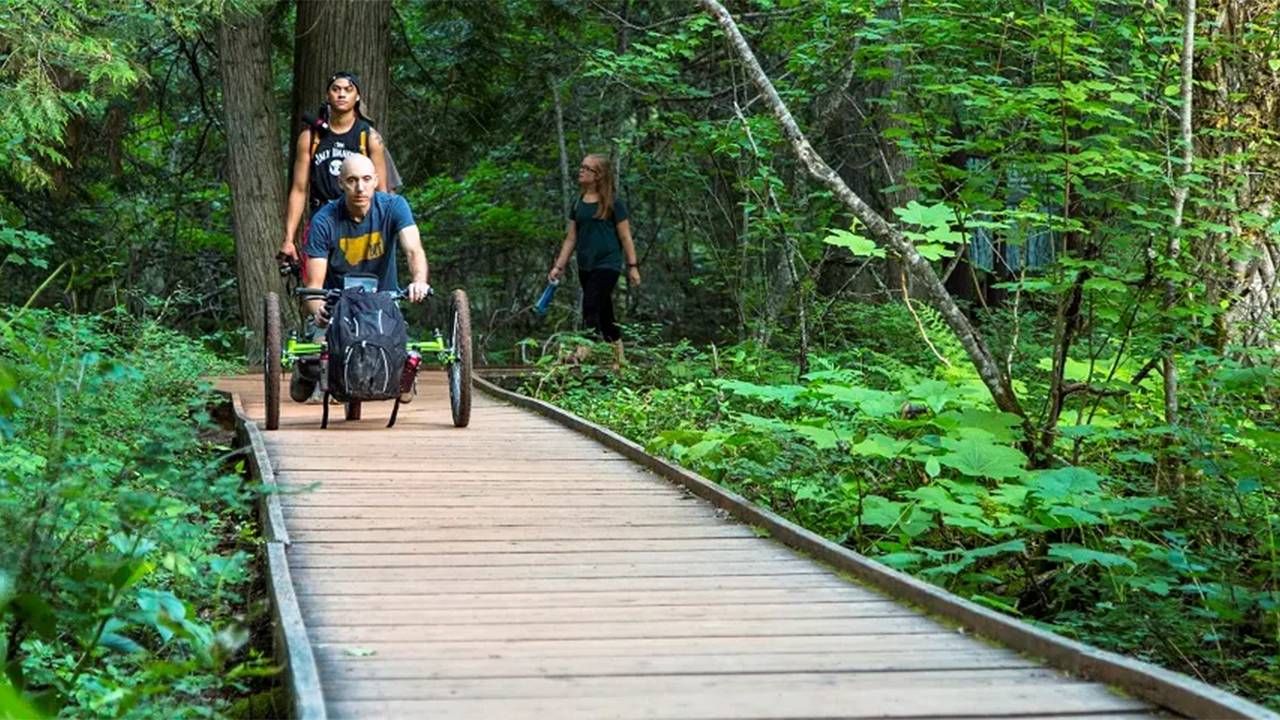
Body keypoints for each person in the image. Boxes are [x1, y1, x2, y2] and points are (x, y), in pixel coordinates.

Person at [291, 153, 429, 402]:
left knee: (402, 388)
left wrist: (419, 280)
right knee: (318, 361)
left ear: (376, 180)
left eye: (366, 179)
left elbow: (413, 250)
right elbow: (313, 286)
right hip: (336, 303)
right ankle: (305, 371)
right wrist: (318, 308)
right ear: (341, 183)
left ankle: (399, 376)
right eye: (352, 180)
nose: (360, 187)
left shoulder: (394, 207)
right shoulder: (324, 220)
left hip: (383, 301)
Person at [279, 71, 392, 265]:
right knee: (317, 285)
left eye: (348, 90)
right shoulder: (310, 138)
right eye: (336, 89)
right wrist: (289, 239)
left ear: (357, 96)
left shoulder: (369, 137)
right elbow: (299, 189)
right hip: (322, 219)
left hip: (359, 222)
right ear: (327, 95)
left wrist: (383, 231)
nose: (341, 94)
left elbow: (382, 191)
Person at [547, 154, 640, 368]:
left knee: (590, 304)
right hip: (585, 265)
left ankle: (582, 352)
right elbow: (571, 238)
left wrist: (633, 266)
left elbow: (625, 236)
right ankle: (619, 360)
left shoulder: (613, 203)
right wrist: (558, 266)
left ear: (598, 175)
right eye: (581, 167)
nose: (581, 170)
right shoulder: (578, 203)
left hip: (608, 263)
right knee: (605, 313)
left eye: (586, 168)